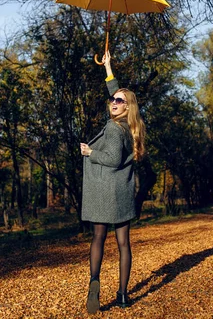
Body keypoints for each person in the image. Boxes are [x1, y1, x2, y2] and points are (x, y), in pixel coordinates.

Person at [80, 50, 146, 314]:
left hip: (104, 190)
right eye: (112, 100)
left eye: (118, 101)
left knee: (98, 237)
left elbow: (111, 159)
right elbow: (120, 93)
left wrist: (90, 153)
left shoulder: (112, 128)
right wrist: (108, 68)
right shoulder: (133, 126)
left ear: (126, 106)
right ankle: (122, 296)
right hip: (123, 192)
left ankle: (94, 280)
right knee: (123, 244)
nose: (113, 103)